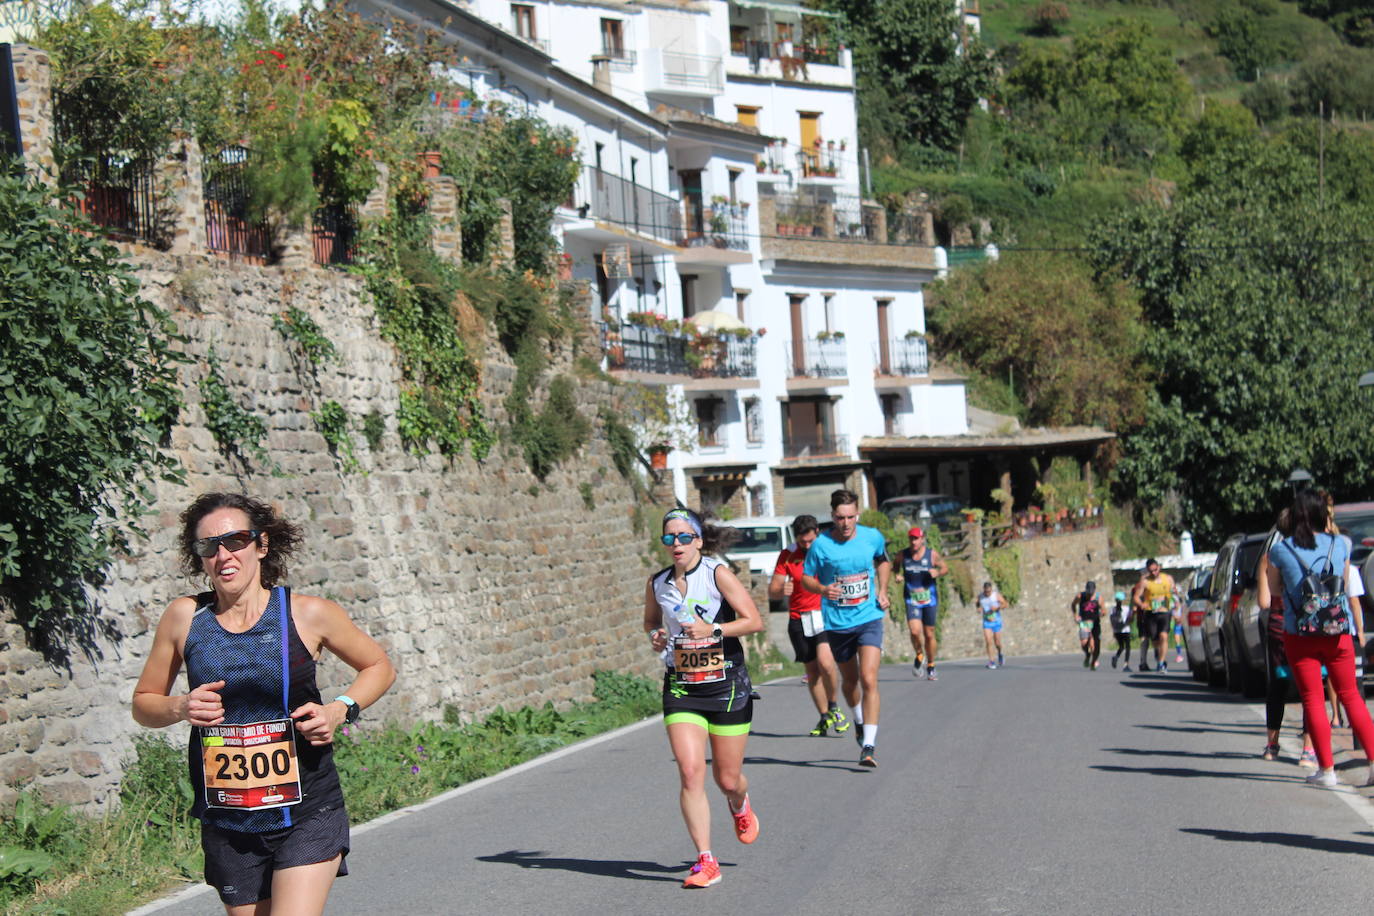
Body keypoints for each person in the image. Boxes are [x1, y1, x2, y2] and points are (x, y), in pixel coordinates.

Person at [132, 493, 396, 915]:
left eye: (235, 540)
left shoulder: (307, 613)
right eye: (208, 546)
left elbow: (379, 665)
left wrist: (339, 708)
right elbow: (144, 704)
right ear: (198, 557)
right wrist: (181, 707)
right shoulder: (185, 618)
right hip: (229, 816)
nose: (223, 554)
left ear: (261, 545)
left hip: (307, 805)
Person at [645, 507, 765, 888]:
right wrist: (656, 637)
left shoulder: (717, 575)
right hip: (681, 686)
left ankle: (739, 803)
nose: (676, 545)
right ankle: (706, 860)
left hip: (726, 685)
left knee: (727, 779)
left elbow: (753, 620)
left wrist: (712, 629)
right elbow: (651, 622)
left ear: (697, 540)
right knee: (690, 771)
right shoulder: (658, 583)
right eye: (669, 539)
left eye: (683, 538)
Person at [1263, 488, 1374, 788]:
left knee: (1313, 699)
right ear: (1322, 515)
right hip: (1339, 630)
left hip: (1300, 633)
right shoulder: (1342, 543)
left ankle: (1327, 770)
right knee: (1351, 695)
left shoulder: (1281, 550)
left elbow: (1274, 590)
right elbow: (1345, 579)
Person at [802, 489, 892, 768]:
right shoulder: (821, 545)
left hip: (869, 617)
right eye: (840, 518)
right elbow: (806, 578)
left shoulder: (872, 536)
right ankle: (858, 719)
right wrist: (822, 589)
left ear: (857, 515)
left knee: (868, 678)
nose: (846, 523)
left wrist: (884, 590)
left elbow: (884, 560)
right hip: (837, 624)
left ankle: (869, 745)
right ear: (832, 517)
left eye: (851, 517)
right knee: (850, 683)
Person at [769, 514, 849, 738]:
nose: (806, 546)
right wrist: (779, 591)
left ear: (817, 534)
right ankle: (824, 716)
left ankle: (834, 706)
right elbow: (773, 590)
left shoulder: (827, 549)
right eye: (802, 542)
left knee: (826, 662)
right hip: (799, 618)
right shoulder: (787, 555)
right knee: (812, 671)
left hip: (824, 614)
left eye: (810, 541)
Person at [1255, 510, 1317, 764]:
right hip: (1310, 626)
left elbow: (1263, 601)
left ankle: (1272, 745)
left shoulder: (1271, 557)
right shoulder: (1313, 551)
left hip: (1280, 627)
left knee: (1278, 685)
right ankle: (1308, 749)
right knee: (1310, 688)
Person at [895, 525, 947, 680]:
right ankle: (919, 654)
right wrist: (897, 576)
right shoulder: (903, 555)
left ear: (922, 539)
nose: (914, 542)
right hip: (912, 599)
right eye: (911, 538)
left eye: (916, 538)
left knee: (929, 634)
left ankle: (931, 665)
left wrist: (937, 572)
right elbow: (895, 568)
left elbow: (944, 567)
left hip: (929, 599)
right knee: (915, 631)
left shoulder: (932, 555)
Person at [1132, 559, 1176, 673]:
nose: (1154, 573)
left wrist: (1175, 604)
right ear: (1148, 570)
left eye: (1155, 570)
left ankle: (1161, 663)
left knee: (1164, 636)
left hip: (1165, 612)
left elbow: (1175, 593)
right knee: (1155, 640)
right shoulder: (1145, 581)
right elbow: (1136, 597)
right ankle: (1158, 651)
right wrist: (1141, 604)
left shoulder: (1168, 579)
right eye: (1151, 571)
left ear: (1159, 567)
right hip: (1151, 614)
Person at [1072, 581, 1103, 670]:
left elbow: (1104, 610)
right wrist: (1075, 615)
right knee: (1084, 644)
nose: (1089, 595)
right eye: (1088, 593)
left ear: (1094, 590)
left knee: (1093, 645)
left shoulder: (1098, 598)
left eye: (1091, 593)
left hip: (1094, 623)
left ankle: (1093, 662)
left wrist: (1102, 613)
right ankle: (1087, 655)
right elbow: (1073, 604)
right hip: (1084, 623)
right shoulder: (1080, 596)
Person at [978, 581, 1008, 668]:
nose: (988, 593)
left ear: (991, 590)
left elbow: (1005, 604)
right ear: (984, 590)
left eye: (989, 591)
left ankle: (1000, 653)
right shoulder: (981, 596)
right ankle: (991, 661)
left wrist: (997, 607)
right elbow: (977, 604)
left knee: (997, 643)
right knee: (988, 641)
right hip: (987, 622)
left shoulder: (996, 595)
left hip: (996, 622)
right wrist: (979, 608)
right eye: (986, 592)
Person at [1109, 591, 1133, 669]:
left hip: (1117, 630)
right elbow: (1130, 619)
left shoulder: (1112, 609)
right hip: (1125, 630)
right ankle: (1126, 664)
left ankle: (1116, 656)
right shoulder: (1126, 608)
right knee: (1128, 647)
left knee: (1121, 646)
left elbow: (1111, 621)